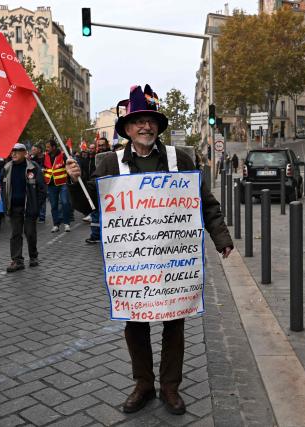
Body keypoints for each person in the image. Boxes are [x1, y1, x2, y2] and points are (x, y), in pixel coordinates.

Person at [66, 84, 233, 416]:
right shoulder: (108, 164)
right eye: (138, 121)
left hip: (174, 259)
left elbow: (205, 202)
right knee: (135, 322)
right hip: (132, 263)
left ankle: (170, 387)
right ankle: (143, 384)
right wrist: (74, 181)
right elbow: (88, 207)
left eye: (151, 121)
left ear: (158, 126)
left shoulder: (180, 158)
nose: (146, 126)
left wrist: (221, 237)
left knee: (174, 323)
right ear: (127, 129)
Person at [0, 143, 45, 272]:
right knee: (15, 234)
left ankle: (33, 256)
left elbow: (42, 189)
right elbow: (3, 188)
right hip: (13, 208)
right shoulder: (7, 168)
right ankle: (17, 260)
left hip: (29, 208)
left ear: (25, 153)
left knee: (30, 233)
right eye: (12, 151)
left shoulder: (33, 167)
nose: (13, 153)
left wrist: (36, 206)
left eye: (17, 151)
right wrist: (6, 204)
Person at [43, 139, 71, 232]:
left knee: (65, 203)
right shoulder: (45, 156)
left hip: (62, 183)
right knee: (54, 205)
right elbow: (43, 166)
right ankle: (56, 225)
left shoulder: (62, 155)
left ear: (54, 147)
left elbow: (69, 165)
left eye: (48, 147)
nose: (46, 149)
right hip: (51, 185)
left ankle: (67, 223)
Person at [30, 144, 47, 223]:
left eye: (34, 149)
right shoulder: (32, 159)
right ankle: (36, 214)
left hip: (45, 180)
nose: (32, 151)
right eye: (32, 149)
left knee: (42, 197)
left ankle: (42, 216)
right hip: (35, 181)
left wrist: (45, 170)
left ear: (39, 150)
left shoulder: (46, 157)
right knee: (35, 198)